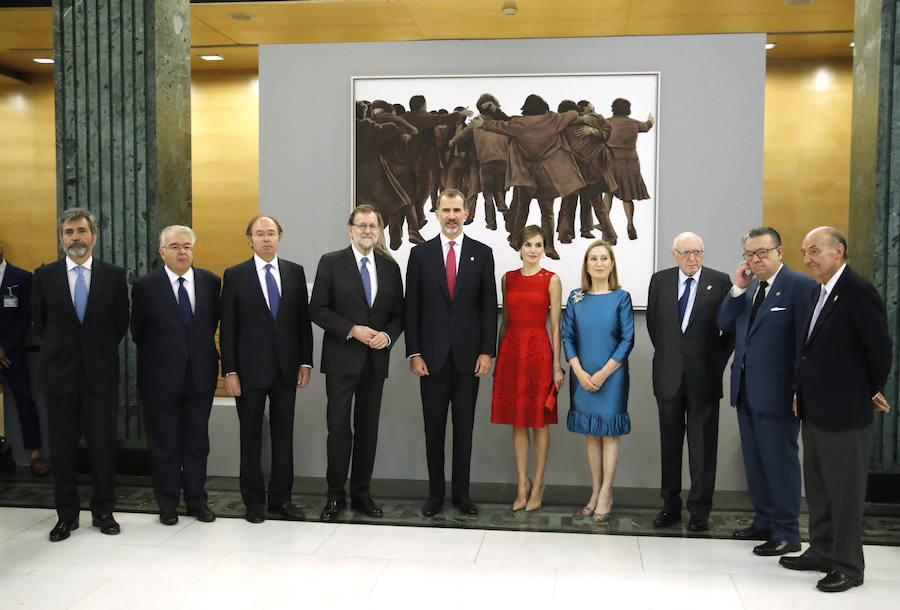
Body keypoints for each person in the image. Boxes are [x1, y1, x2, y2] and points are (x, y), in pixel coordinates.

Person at [780, 226, 892, 593]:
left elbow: (880, 349)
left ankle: (848, 566)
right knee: (820, 489)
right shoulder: (820, 292)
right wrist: (800, 390)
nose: (807, 258)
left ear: (838, 251)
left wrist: (867, 390)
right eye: (804, 252)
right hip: (815, 409)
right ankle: (822, 550)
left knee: (844, 494)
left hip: (845, 413)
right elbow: (809, 351)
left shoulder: (857, 292)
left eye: (815, 251)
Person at [31, 208, 129, 541]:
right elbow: (40, 323)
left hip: (100, 376)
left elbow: (120, 323)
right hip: (59, 377)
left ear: (94, 237)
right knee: (62, 449)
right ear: (62, 238)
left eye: (82, 231)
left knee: (103, 446)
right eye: (69, 232)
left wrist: (94, 352)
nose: (76, 237)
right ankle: (66, 516)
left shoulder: (113, 275)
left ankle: (104, 511)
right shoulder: (44, 276)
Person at [717, 227, 816, 555]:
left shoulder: (799, 286)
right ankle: (764, 521)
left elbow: (807, 344)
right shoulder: (750, 289)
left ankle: (787, 532)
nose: (755, 259)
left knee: (780, 462)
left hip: (780, 394)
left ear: (779, 252)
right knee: (756, 461)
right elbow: (723, 322)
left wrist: (798, 390)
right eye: (749, 254)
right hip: (746, 390)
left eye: (761, 253)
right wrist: (737, 288)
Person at [406, 188, 497, 517]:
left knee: (464, 429)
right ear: (437, 213)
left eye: (457, 210)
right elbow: (411, 308)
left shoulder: (482, 253)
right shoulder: (420, 255)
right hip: (429, 359)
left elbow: (489, 307)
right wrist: (413, 352)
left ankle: (462, 494)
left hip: (468, 359)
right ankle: (435, 495)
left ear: (466, 212)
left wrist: (488, 352)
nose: (452, 216)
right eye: (446, 210)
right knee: (433, 430)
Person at [309, 205, 404, 522]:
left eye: (373, 226)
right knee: (338, 429)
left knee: (368, 430)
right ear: (349, 229)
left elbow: (398, 315)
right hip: (341, 361)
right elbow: (318, 309)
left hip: (375, 362)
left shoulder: (390, 268)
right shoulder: (331, 262)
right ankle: (335, 496)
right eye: (361, 225)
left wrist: (387, 337)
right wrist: (351, 330)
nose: (367, 231)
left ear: (379, 230)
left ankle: (362, 494)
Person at [220, 215, 314, 523]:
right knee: (251, 438)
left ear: (280, 237)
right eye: (259, 234)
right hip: (248, 372)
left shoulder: (294, 272)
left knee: (283, 437)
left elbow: (302, 322)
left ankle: (282, 500)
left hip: (287, 370)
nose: (265, 239)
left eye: (271, 233)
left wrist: (305, 361)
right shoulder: (235, 275)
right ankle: (254, 503)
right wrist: (229, 371)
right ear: (249, 239)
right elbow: (229, 327)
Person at [130, 226, 221, 525]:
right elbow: (138, 332)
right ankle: (167, 503)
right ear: (162, 252)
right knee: (165, 444)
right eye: (175, 247)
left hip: (201, 376)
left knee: (197, 442)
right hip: (160, 380)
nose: (182, 252)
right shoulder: (145, 286)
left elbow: (211, 325)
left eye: (187, 246)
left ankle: (197, 501)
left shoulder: (211, 282)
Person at [646, 232, 733, 532]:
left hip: (704, 379)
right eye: (686, 253)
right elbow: (655, 327)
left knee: (703, 449)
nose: (692, 258)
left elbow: (730, 330)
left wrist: (715, 364)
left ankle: (699, 511)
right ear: (674, 254)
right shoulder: (660, 281)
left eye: (697, 252)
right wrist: (673, 358)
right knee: (669, 446)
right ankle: (670, 506)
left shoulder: (720, 282)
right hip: (668, 377)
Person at [490, 225, 565, 511]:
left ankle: (540, 482)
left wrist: (556, 366)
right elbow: (504, 321)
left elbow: (556, 326)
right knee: (518, 421)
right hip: (512, 352)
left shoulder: (552, 279)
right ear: (519, 248)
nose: (533, 250)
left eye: (538, 245)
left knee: (539, 421)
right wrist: (498, 359)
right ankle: (522, 484)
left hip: (540, 354)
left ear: (544, 249)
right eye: (528, 245)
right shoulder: (507, 279)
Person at [562, 240, 634, 522]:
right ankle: (594, 491)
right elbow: (567, 336)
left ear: (612, 264)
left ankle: (607, 492)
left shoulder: (621, 297)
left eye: (605, 258)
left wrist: (604, 373)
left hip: (612, 376)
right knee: (591, 434)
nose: (599, 263)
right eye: (594, 258)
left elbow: (628, 338)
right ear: (587, 265)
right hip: (582, 375)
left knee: (609, 434)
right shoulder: (576, 297)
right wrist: (578, 372)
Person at [0, 242, 49, 476]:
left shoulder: (21, 277)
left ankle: (35, 455)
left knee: (25, 399)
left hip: (12, 353)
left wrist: (4, 348)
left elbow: (25, 317)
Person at [603, 98, 654, 241]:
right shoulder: (634, 123)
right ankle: (630, 225)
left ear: (613, 108)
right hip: (631, 163)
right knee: (627, 196)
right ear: (628, 109)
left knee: (608, 194)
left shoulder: (607, 123)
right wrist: (650, 120)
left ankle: (607, 230)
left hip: (612, 162)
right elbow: (646, 126)